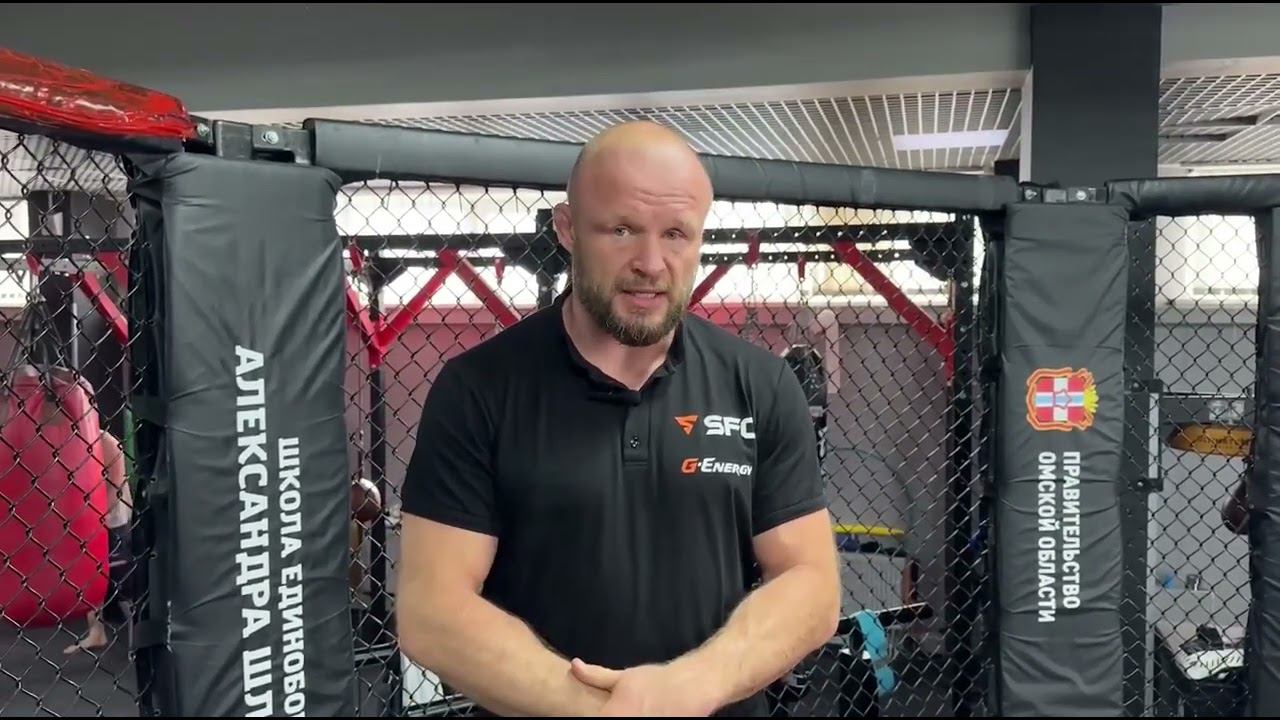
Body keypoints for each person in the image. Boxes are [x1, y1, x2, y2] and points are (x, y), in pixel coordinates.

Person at [396, 120, 842, 717]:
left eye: (676, 233)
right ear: (568, 229)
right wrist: (609, 711)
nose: (650, 262)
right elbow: (432, 611)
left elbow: (810, 583)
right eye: (622, 229)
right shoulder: (478, 389)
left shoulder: (760, 384)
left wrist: (690, 686)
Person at [64, 428, 132, 655]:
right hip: (85, 522)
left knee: (119, 581)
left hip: (113, 522)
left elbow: (115, 487)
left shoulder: (105, 441)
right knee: (88, 576)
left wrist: (95, 517)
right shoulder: (66, 442)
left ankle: (139, 632)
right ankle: (96, 632)